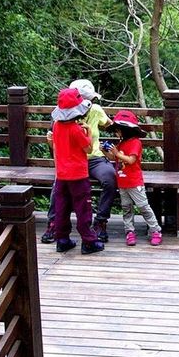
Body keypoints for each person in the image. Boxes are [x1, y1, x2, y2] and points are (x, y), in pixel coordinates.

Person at [42, 79, 116, 243]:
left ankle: (100, 221)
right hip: (74, 163)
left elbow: (110, 125)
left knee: (110, 178)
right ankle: (54, 223)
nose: (91, 102)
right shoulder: (61, 118)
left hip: (94, 159)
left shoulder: (96, 110)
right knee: (59, 187)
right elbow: (56, 142)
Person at [50, 88, 104, 255]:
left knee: (62, 207)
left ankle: (62, 239)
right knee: (83, 208)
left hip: (61, 175)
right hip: (78, 175)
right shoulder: (76, 129)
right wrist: (87, 131)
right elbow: (88, 149)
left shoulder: (57, 126)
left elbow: (55, 146)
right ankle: (88, 241)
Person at [106, 110, 162, 246]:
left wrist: (116, 153)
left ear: (125, 130)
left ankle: (155, 230)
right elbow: (114, 158)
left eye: (118, 130)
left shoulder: (135, 142)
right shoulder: (121, 143)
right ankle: (129, 231)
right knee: (127, 208)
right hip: (123, 182)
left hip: (134, 182)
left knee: (143, 207)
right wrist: (106, 151)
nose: (116, 133)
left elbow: (131, 160)